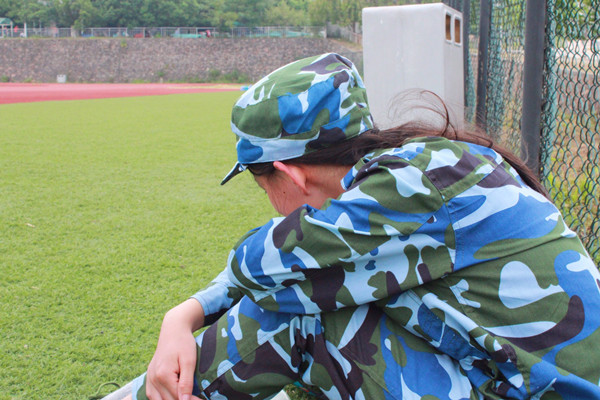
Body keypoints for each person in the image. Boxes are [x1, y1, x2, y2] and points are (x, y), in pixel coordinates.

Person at [114, 53, 600, 400]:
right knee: (316, 294)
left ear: (290, 175)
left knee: (303, 317)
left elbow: (262, 263)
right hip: (518, 380)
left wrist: (187, 317)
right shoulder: (419, 167)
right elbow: (293, 263)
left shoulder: (409, 187)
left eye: (263, 188)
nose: (274, 207)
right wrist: (182, 316)